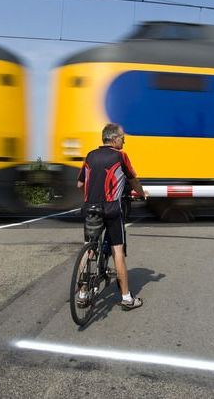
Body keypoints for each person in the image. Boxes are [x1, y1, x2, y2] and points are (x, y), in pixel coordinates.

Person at [77, 123, 147, 310]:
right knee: (118, 251)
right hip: (112, 210)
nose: (124, 140)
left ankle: (82, 294)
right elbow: (133, 180)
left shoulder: (90, 156)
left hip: (91, 208)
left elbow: (79, 183)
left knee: (89, 248)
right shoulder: (120, 156)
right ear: (114, 139)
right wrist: (141, 193)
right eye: (122, 137)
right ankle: (126, 298)